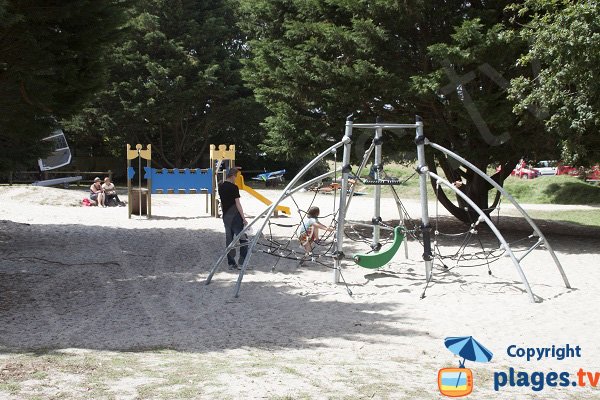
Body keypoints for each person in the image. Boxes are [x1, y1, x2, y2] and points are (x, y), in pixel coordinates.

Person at [218, 167, 248, 270]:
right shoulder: (234, 187)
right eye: (236, 176)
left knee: (229, 240)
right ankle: (241, 262)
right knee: (244, 239)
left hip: (226, 216)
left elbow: (222, 203)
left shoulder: (221, 186)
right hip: (235, 217)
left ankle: (231, 263)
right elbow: (238, 204)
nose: (236, 178)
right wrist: (244, 218)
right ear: (233, 176)